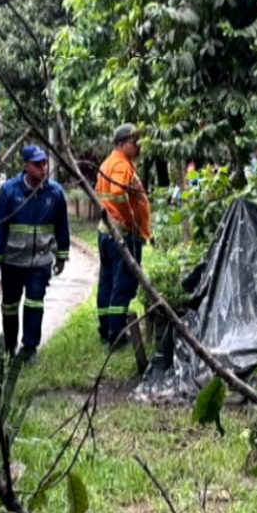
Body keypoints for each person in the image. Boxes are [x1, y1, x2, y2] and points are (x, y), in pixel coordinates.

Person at [0, 145, 71, 361]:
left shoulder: (55, 193)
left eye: (44, 163)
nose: (43, 168)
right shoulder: (8, 192)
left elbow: (62, 227)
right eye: (37, 164)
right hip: (13, 261)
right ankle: (9, 346)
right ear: (26, 166)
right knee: (10, 306)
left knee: (35, 302)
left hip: (40, 262)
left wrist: (61, 255)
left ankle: (30, 348)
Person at [96, 123, 152, 346]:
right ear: (122, 144)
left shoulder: (109, 163)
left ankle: (106, 327)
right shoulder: (120, 165)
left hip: (107, 233)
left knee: (107, 283)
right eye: (134, 142)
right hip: (122, 235)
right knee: (123, 284)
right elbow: (119, 194)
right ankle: (117, 334)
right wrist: (131, 223)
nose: (138, 146)